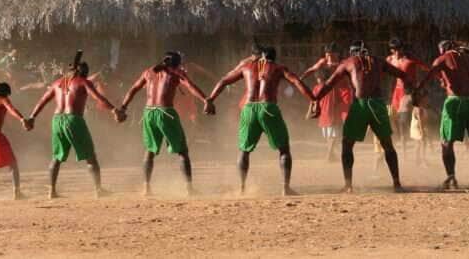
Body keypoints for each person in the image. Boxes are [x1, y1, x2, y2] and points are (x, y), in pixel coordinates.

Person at [206, 46, 313, 196]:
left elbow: (224, 80)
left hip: (248, 109)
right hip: (268, 107)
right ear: (274, 57)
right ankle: (285, 188)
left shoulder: (247, 66)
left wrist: (210, 99)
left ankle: (242, 188)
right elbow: (296, 81)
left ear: (259, 56)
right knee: (284, 149)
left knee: (244, 150)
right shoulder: (278, 67)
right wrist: (313, 99)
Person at [313, 40, 411, 193]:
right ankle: (397, 184)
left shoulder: (348, 62)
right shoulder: (378, 61)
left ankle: (348, 185)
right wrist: (410, 92)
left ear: (353, 52)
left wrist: (315, 100)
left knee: (347, 145)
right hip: (378, 105)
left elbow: (328, 84)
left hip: (359, 106)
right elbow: (402, 75)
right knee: (387, 145)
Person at [117, 51, 213, 196]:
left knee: (149, 151)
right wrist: (206, 100)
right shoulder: (175, 73)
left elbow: (133, 89)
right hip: (165, 113)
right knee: (183, 152)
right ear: (176, 63)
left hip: (148, 113)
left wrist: (123, 107)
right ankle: (189, 189)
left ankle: (146, 188)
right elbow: (191, 86)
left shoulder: (149, 72)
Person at [29, 58, 122, 199]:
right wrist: (114, 110)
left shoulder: (56, 83)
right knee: (91, 157)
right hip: (73, 120)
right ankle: (98, 190)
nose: (87, 73)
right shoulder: (83, 82)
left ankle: (51, 191)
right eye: (85, 70)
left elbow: (42, 101)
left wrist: (32, 117)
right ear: (81, 71)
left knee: (56, 158)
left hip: (56, 120)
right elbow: (98, 97)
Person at [416, 40, 469, 189]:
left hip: (455, 102)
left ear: (444, 48)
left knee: (446, 142)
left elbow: (428, 76)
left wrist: (417, 91)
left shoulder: (443, 58)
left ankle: (451, 177)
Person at [387, 39, 428, 157]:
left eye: (399, 49)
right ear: (391, 50)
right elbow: (382, 72)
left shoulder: (410, 59)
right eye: (395, 50)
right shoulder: (390, 60)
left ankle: (420, 155)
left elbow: (426, 68)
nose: (397, 52)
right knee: (400, 124)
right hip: (398, 93)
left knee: (419, 121)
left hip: (412, 92)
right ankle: (403, 153)